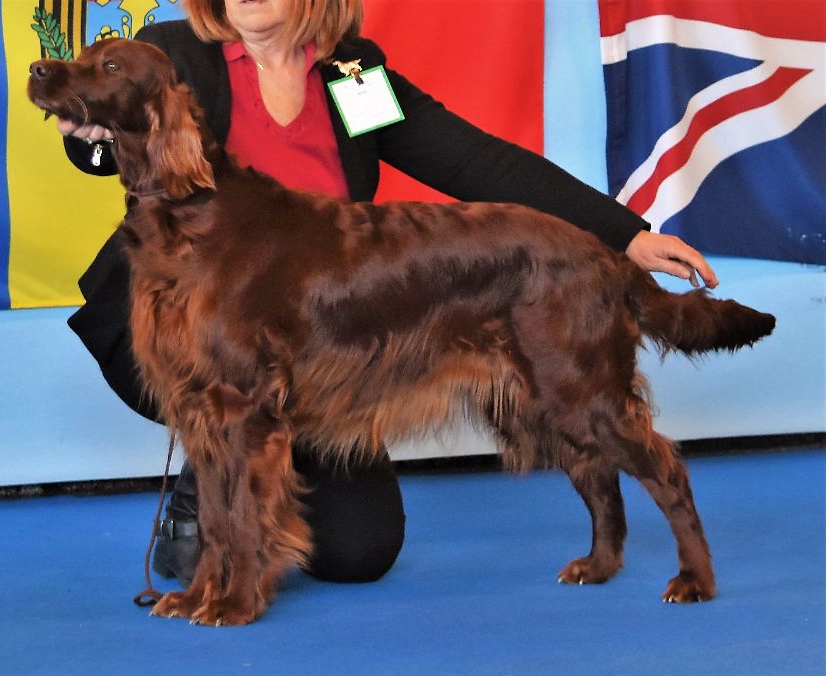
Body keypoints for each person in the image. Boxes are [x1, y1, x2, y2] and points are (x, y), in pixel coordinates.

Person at [56, 0, 718, 587]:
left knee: (359, 552)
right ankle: (211, 475)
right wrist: (90, 143)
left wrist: (625, 236)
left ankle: (250, 466)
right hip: (189, 315)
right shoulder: (179, 52)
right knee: (228, 403)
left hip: (323, 336)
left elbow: (475, 161)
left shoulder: (351, 74)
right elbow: (114, 140)